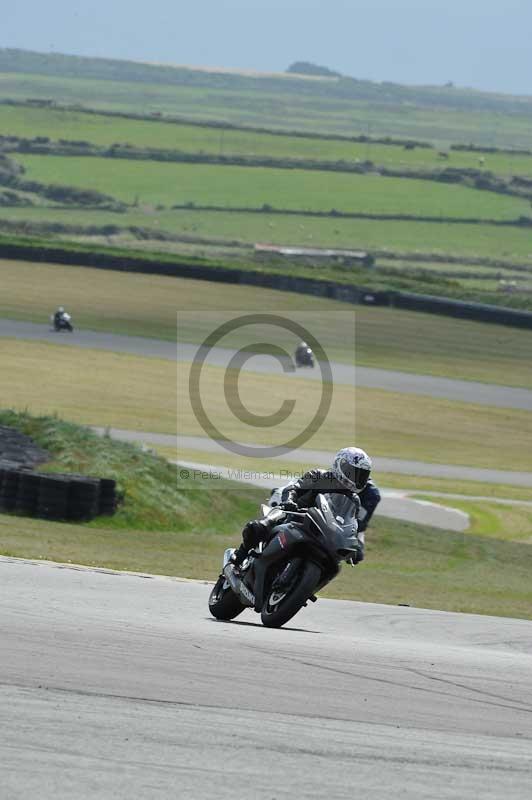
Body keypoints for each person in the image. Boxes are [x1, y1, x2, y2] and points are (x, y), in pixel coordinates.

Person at [232, 447, 380, 568]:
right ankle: (239, 557)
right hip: (294, 517)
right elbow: (294, 488)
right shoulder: (320, 476)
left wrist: (355, 546)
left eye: (361, 475)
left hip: (322, 533)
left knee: (335, 563)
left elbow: (352, 526)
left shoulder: (354, 500)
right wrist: (289, 501)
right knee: (259, 526)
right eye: (352, 472)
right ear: (340, 465)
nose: (355, 478)